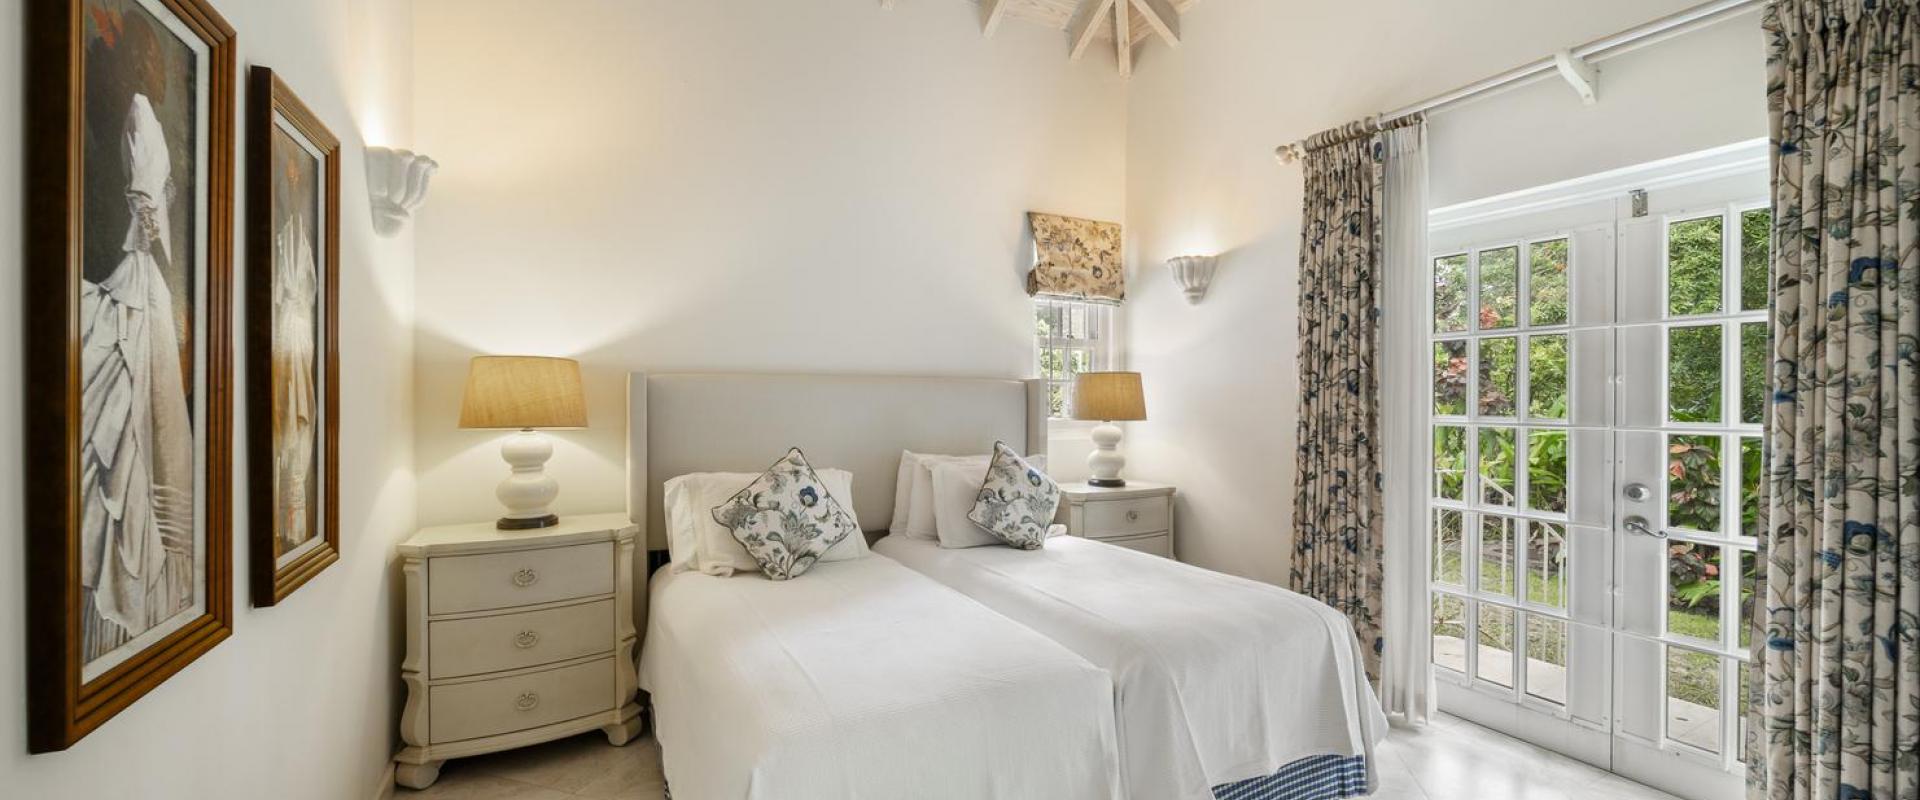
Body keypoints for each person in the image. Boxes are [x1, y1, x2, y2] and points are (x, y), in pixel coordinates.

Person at [77, 91, 197, 667]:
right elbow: (145, 207)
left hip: (142, 280)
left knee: (153, 431)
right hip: (135, 280)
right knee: (131, 438)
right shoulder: (138, 115)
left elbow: (149, 207)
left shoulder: (139, 119)